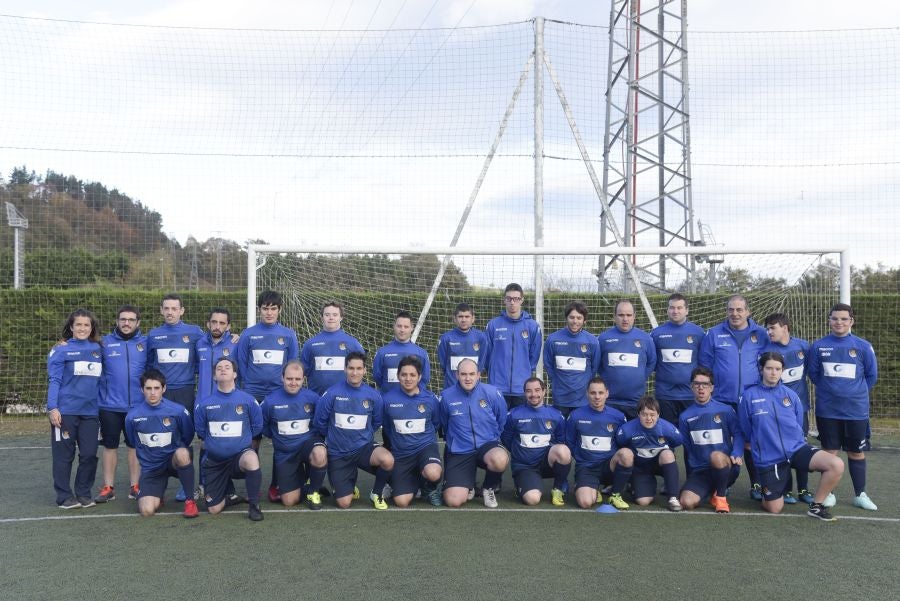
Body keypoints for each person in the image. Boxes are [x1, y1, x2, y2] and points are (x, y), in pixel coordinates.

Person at [738, 352, 845, 521]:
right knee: (774, 508)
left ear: (782, 371)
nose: (773, 372)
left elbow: (797, 423)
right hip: (770, 458)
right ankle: (772, 488)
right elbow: (745, 429)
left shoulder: (791, 395)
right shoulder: (748, 396)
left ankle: (816, 506)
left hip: (796, 449)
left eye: (777, 369)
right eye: (769, 368)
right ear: (761, 369)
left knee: (836, 464)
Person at [809, 303, 878, 511]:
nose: (839, 322)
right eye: (835, 318)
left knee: (856, 452)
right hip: (827, 410)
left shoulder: (863, 346)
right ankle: (828, 494)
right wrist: (832, 391)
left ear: (851, 321)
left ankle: (860, 494)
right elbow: (814, 374)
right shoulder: (818, 346)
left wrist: (853, 393)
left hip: (856, 411)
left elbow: (871, 376)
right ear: (829, 320)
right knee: (829, 453)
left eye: (844, 319)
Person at [698, 294, 768, 499]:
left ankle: (756, 484)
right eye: (731, 309)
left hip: (751, 399)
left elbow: (767, 364)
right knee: (721, 442)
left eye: (739, 310)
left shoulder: (761, 334)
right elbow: (705, 366)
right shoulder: (713, 334)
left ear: (748, 311)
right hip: (721, 398)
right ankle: (724, 481)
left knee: (751, 442)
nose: (735, 313)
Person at [312, 351, 394, 509]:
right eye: (351, 368)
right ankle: (346, 484)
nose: (354, 372)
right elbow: (319, 422)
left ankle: (376, 494)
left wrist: (362, 436)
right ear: (345, 369)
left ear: (364, 370)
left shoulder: (374, 395)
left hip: (363, 449)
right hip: (338, 453)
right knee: (344, 503)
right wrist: (335, 437)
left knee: (388, 460)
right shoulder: (332, 393)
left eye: (358, 368)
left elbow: (376, 421)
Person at [194, 358, 265, 521]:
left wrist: (238, 442)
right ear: (214, 376)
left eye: (227, 367)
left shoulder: (248, 400)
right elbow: (202, 432)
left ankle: (254, 506)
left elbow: (257, 427)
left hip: (239, 458)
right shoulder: (204, 404)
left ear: (235, 374)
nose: (223, 369)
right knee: (213, 509)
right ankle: (229, 498)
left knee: (251, 457)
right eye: (219, 368)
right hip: (215, 462)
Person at [47, 309, 103, 509]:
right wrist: (53, 408)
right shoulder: (60, 350)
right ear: (71, 327)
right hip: (66, 412)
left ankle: (83, 494)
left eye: (86, 325)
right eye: (78, 324)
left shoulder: (99, 349)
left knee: (89, 454)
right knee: (64, 456)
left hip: (91, 413)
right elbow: (54, 380)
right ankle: (64, 497)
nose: (82, 328)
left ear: (91, 328)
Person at [125, 370, 198, 518]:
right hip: (151, 469)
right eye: (148, 388)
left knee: (182, 453)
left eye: (156, 388)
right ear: (142, 390)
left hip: (173, 461)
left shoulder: (178, 411)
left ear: (164, 389)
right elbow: (133, 441)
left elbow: (188, 435)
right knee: (146, 511)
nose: (153, 392)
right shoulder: (132, 416)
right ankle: (159, 492)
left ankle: (190, 501)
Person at [439, 358, 509, 508]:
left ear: (478, 375)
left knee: (500, 458)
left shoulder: (492, 393)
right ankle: (468, 485)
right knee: (453, 501)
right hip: (460, 450)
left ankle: (488, 488)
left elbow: (502, 419)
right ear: (457, 375)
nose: (468, 378)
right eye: (463, 374)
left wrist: (493, 438)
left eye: (471, 374)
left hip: (486, 445)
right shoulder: (446, 396)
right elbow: (444, 423)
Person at [94, 305, 146, 503]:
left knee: (135, 446)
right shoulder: (103, 343)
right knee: (110, 446)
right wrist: (65, 341)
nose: (126, 323)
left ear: (137, 323)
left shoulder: (146, 343)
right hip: (109, 406)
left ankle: (135, 486)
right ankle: (108, 488)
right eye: (123, 319)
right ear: (117, 321)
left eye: (131, 320)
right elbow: (82, 347)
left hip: (138, 406)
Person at [260, 361, 327, 510]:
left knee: (320, 452)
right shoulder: (270, 401)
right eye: (289, 379)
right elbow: (262, 426)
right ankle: (305, 485)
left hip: (307, 446)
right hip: (285, 453)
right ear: (282, 378)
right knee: (289, 501)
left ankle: (314, 492)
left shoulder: (313, 398)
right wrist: (278, 437)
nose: (293, 383)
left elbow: (321, 422)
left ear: (303, 379)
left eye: (297, 379)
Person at [677, 367, 743, 513]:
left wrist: (737, 453)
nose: (701, 388)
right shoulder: (685, 417)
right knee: (686, 502)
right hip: (701, 471)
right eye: (697, 384)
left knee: (716, 456)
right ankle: (712, 491)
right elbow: (687, 448)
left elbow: (738, 433)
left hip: (726, 467)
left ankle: (721, 497)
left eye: (705, 384)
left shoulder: (725, 410)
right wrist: (690, 476)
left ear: (712, 387)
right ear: (691, 387)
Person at [763, 312, 813, 504]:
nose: (769, 332)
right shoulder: (766, 350)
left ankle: (804, 489)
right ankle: (786, 490)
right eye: (767, 328)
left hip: (800, 409)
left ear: (785, 328)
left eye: (772, 328)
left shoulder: (803, 347)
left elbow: (812, 372)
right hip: (776, 410)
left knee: (801, 446)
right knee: (780, 449)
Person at [381, 356, 443, 507]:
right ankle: (416, 482)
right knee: (401, 501)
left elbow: (435, 423)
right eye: (404, 375)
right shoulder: (387, 400)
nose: (408, 378)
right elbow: (387, 428)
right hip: (402, 454)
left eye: (412, 375)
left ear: (419, 377)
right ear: (398, 376)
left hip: (425, 448)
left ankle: (429, 488)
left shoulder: (430, 399)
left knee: (433, 472)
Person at [500, 377, 571, 506]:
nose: (533, 394)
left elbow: (560, 440)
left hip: (546, 462)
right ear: (524, 393)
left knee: (563, 450)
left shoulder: (556, 415)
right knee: (532, 499)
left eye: (537, 390)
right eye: (529, 391)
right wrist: (522, 454)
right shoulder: (514, 415)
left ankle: (558, 489)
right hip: (525, 466)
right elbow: (506, 439)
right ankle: (522, 486)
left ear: (544, 391)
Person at [565, 377, 631, 510]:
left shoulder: (618, 416)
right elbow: (570, 442)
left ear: (607, 393)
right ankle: (591, 489)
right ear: (587, 394)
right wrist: (582, 458)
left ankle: (615, 494)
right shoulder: (575, 416)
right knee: (585, 503)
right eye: (593, 393)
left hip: (609, 465)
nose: (597, 397)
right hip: (587, 467)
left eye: (600, 393)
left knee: (627, 454)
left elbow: (623, 442)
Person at [614, 395, 684, 511]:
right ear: (638, 414)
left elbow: (677, 441)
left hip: (659, 464)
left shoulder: (668, 429)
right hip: (640, 468)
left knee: (668, 454)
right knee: (643, 501)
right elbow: (620, 444)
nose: (648, 418)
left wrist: (667, 451)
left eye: (652, 414)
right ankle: (633, 483)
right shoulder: (627, 430)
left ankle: (673, 497)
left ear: (658, 415)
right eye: (644, 414)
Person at [485, 283, 542, 409]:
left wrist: (524, 371)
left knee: (520, 421)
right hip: (497, 387)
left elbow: (534, 356)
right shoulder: (493, 325)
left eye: (516, 299)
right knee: (498, 421)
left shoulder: (533, 326)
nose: (512, 302)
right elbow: (487, 355)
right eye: (509, 298)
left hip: (522, 387)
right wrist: (494, 372)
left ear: (522, 300)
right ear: (504, 300)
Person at [597, 300, 656, 420]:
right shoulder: (603, 338)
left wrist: (640, 376)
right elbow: (597, 364)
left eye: (629, 315)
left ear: (634, 316)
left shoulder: (646, 339)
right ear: (614, 316)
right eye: (621, 315)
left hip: (636, 402)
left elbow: (651, 362)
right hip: (609, 401)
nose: (625, 319)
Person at [236, 291, 300, 402]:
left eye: (273, 309)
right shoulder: (247, 334)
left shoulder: (289, 335)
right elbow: (241, 362)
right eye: (265, 309)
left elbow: (292, 363)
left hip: (279, 391)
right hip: (252, 391)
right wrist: (248, 382)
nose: (269, 313)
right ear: (259, 309)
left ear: (280, 309)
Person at [650, 293, 704, 424]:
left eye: (679, 308)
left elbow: (704, 362)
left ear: (687, 310)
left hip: (690, 394)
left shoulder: (699, 333)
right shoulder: (656, 333)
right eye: (672, 307)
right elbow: (651, 361)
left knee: (691, 433)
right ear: (667, 310)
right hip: (665, 395)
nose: (675, 311)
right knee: (667, 433)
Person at [145, 294, 204, 414]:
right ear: (161, 310)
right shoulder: (153, 334)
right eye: (166, 308)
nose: (170, 312)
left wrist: (231, 336)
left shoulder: (195, 332)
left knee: (186, 424)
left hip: (185, 389)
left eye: (174, 309)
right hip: (161, 389)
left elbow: (210, 346)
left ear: (181, 311)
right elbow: (149, 363)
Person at [543, 301, 601, 418]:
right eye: (572, 317)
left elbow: (594, 368)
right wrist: (559, 382)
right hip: (560, 399)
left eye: (579, 318)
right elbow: (548, 365)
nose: (575, 321)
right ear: (566, 318)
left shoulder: (592, 341)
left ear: (584, 320)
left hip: (582, 400)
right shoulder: (552, 339)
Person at [301, 301, 365, 395]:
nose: (331, 318)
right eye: (327, 315)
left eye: (335, 315)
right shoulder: (310, 344)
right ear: (322, 317)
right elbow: (303, 371)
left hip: (346, 397)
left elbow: (360, 370)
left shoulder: (352, 343)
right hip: (316, 397)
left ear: (341, 317)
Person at [373, 310, 432, 393]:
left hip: (412, 399)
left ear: (412, 328)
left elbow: (424, 379)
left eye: (406, 327)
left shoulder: (421, 353)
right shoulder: (382, 352)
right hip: (388, 399)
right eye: (399, 326)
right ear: (394, 326)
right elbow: (377, 377)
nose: (402, 330)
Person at [437, 302, 488, 387]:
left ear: (473, 319)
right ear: (455, 319)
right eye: (460, 316)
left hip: (473, 387)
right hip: (452, 386)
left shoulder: (481, 337)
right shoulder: (446, 338)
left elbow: (482, 362)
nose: (463, 320)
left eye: (467, 316)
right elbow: (443, 364)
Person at [196, 307, 238, 402]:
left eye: (222, 323)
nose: (217, 326)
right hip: (203, 400)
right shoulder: (199, 343)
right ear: (208, 324)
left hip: (227, 401)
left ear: (228, 326)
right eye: (214, 322)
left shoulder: (235, 344)